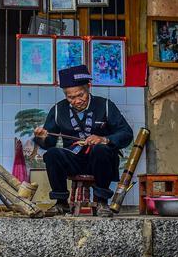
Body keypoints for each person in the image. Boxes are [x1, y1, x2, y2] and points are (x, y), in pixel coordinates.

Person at [33, 64, 134, 217]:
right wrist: (41, 138)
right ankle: (61, 203)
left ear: (88, 87)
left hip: (100, 161)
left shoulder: (105, 105)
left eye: (80, 95)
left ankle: (101, 202)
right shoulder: (58, 110)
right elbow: (49, 144)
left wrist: (105, 139)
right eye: (70, 97)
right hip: (74, 161)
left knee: (101, 150)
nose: (76, 100)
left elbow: (126, 133)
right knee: (53, 154)